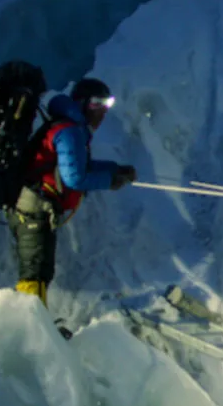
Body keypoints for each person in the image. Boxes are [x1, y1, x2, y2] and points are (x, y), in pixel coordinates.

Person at [9, 77, 137, 316]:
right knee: (34, 272)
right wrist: (111, 181)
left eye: (106, 105)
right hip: (33, 210)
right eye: (97, 104)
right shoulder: (69, 131)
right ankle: (27, 329)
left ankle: (34, 324)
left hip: (32, 208)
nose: (102, 112)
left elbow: (78, 166)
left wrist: (114, 169)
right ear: (82, 103)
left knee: (39, 271)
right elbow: (74, 178)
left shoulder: (68, 127)